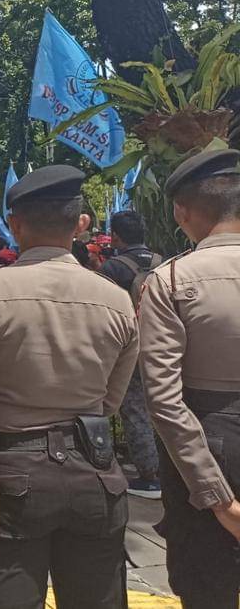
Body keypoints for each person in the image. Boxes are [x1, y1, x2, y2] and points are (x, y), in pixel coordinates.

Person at [0, 165, 137, 607]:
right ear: (80, 225)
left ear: (15, 224)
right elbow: (111, 400)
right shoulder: (116, 298)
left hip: (12, 469)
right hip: (95, 472)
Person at [139, 149, 240, 606]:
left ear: (181, 211)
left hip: (205, 447)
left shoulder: (171, 280)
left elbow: (164, 399)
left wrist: (217, 498)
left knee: (206, 589)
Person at [98, 208, 164, 499]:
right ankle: (167, 466)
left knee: (134, 409)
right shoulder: (163, 262)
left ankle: (150, 474)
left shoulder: (113, 268)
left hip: (129, 348)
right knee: (163, 407)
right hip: (163, 346)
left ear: (116, 236)